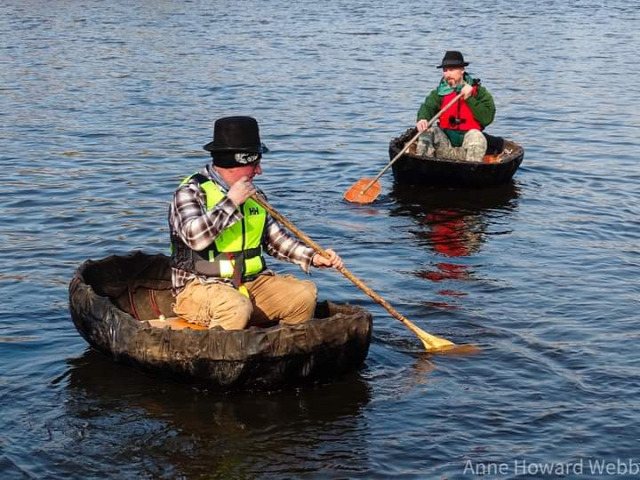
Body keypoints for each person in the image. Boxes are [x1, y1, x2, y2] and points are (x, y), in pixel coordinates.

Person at [169, 116, 343, 330]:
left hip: (249, 283)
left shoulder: (254, 195)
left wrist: (315, 257)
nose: (259, 171)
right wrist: (231, 202)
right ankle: (223, 358)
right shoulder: (190, 192)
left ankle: (280, 352)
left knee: (304, 295)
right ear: (237, 162)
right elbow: (194, 237)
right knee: (235, 307)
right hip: (198, 287)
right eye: (255, 164)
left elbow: (275, 240)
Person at [415, 51, 496, 162]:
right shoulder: (439, 93)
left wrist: (469, 99)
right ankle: (422, 167)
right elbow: (428, 107)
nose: (448, 74)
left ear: (462, 70)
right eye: (445, 70)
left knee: (477, 137)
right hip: (445, 146)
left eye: (452, 70)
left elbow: (487, 118)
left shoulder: (479, 92)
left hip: (467, 150)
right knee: (427, 133)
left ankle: (471, 173)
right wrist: (422, 119)